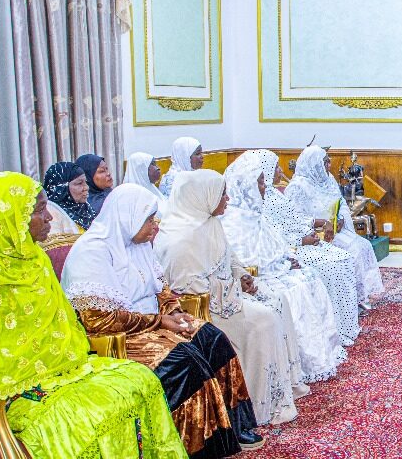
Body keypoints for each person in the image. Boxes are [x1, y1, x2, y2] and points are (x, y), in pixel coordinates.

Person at [0, 172, 187, 458]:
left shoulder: (33, 259)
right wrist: (22, 377)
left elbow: (60, 326)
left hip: (47, 371)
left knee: (139, 380)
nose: (50, 218)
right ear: (10, 218)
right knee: (81, 417)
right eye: (40, 210)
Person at [61, 184, 265, 455]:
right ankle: (197, 447)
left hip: (155, 324)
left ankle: (233, 425)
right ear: (128, 217)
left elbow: (162, 289)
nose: (154, 226)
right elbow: (97, 320)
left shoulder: (139, 245)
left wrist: (173, 312)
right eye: (148, 219)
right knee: (184, 363)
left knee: (213, 339)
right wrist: (158, 323)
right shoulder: (91, 252)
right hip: (121, 337)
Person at [154, 169, 309, 425]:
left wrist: (242, 276)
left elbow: (230, 259)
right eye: (221, 194)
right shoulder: (180, 240)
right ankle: (256, 403)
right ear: (202, 197)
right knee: (264, 320)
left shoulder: (209, 223)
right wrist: (234, 289)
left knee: (278, 300)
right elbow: (191, 293)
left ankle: (283, 387)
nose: (227, 198)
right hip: (202, 311)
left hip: (225, 298)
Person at [221, 159, 348, 380]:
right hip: (260, 278)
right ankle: (300, 364)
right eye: (260, 183)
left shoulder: (256, 214)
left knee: (310, 279)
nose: (264, 187)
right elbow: (248, 262)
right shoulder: (233, 221)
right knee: (296, 292)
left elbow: (276, 244)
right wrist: (284, 263)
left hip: (278, 269)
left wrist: (288, 259)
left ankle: (320, 356)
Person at [240, 150, 362, 328]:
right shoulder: (260, 201)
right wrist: (301, 240)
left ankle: (344, 321)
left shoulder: (273, 193)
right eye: (275, 168)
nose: (280, 172)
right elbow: (273, 234)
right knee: (332, 265)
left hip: (304, 240)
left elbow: (295, 218)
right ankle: (334, 324)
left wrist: (311, 228)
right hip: (290, 249)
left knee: (344, 258)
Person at [284, 146, 384, 311]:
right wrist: (321, 223)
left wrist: (341, 219)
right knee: (354, 249)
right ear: (314, 163)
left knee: (364, 245)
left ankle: (361, 295)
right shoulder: (297, 187)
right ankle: (351, 299)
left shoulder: (328, 179)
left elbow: (341, 203)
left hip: (337, 229)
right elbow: (294, 217)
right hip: (316, 233)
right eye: (325, 162)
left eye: (328, 161)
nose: (329, 165)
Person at [42, 162, 96, 233]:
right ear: (61, 187)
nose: (86, 187)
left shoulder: (86, 209)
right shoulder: (51, 211)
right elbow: (55, 242)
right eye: (79, 183)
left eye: (85, 182)